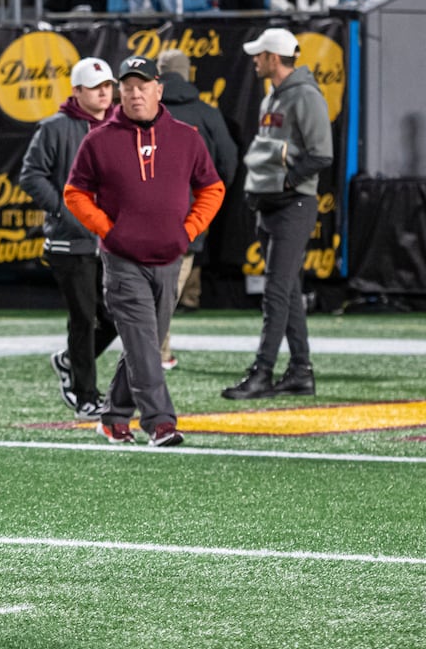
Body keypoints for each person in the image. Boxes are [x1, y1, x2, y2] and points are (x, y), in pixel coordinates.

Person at [64, 55, 225, 447]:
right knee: (141, 337)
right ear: (120, 91)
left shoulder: (186, 136)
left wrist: (187, 231)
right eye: (128, 86)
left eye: (142, 85)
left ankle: (114, 415)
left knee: (145, 344)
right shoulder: (99, 139)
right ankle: (160, 422)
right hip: (122, 260)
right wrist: (108, 230)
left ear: (159, 88)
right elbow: (75, 193)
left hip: (170, 257)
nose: (135, 93)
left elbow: (213, 188)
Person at [222, 28, 333, 400]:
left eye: (259, 54)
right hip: (274, 204)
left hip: (294, 204)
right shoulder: (274, 96)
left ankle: (262, 372)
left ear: (273, 57)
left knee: (275, 291)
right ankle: (301, 371)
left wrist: (285, 185)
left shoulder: (304, 96)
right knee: (287, 289)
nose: (254, 60)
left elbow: (322, 154)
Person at [20, 57, 117, 418]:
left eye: (108, 86)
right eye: (95, 87)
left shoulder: (120, 126)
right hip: (69, 241)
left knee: (114, 318)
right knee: (84, 318)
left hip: (109, 241)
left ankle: (69, 363)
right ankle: (85, 395)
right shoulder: (54, 128)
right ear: (77, 92)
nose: (104, 93)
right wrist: (64, 210)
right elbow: (30, 175)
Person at [155, 48, 239, 369]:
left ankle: (156, 351)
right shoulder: (207, 114)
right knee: (169, 289)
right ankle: (156, 353)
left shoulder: (142, 112)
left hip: (144, 214)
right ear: (188, 74)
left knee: (150, 286)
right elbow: (228, 165)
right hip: (190, 215)